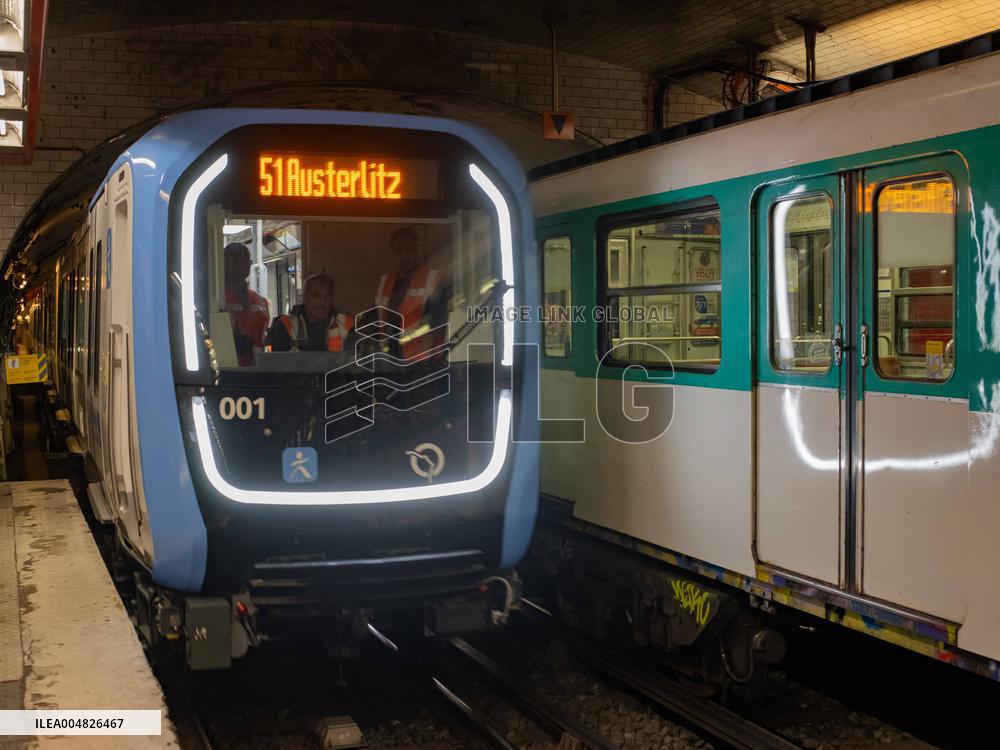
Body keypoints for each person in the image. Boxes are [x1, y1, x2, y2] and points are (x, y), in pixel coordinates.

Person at [371, 227, 446, 359]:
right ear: (392, 252)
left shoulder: (433, 279)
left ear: (418, 250)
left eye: (409, 250)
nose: (404, 255)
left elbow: (438, 326)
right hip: (389, 360)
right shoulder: (384, 283)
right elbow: (374, 322)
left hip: (422, 361)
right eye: (399, 251)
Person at [266, 273, 355, 352]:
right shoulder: (286, 324)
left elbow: (354, 359)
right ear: (305, 297)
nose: (323, 302)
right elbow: (280, 362)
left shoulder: (346, 324)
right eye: (316, 295)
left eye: (328, 296)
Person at [224, 242, 270, 366]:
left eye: (244, 260)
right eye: (236, 260)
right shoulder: (218, 301)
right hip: (229, 369)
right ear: (225, 264)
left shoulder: (261, 301)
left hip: (258, 368)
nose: (241, 265)